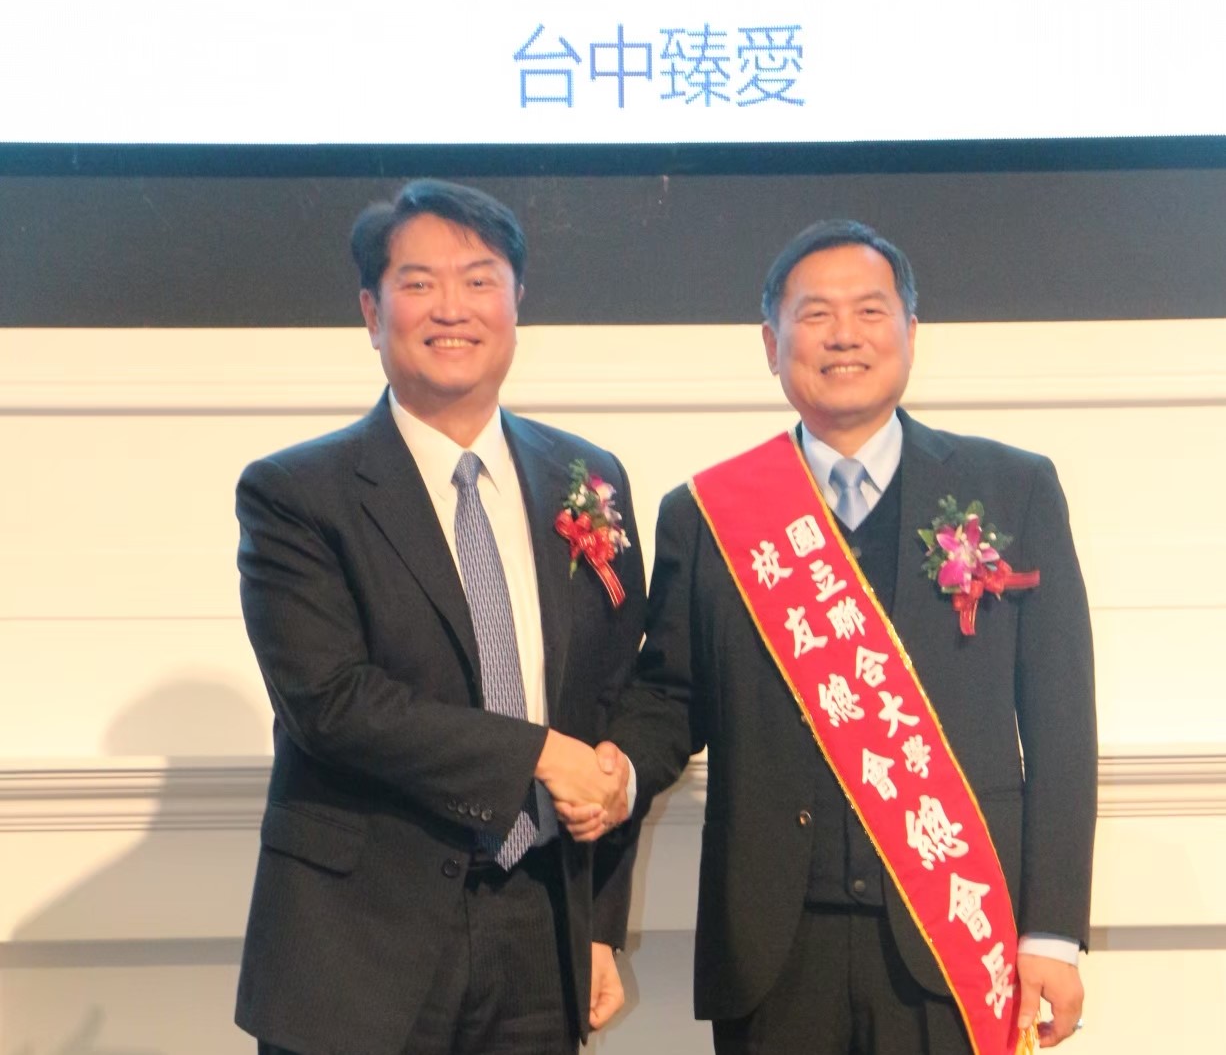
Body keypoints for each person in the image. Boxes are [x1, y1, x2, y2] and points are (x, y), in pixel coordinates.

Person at [597, 220, 1096, 1053]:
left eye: (869, 311)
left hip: (952, 934)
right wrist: (609, 772)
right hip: (773, 953)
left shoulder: (1013, 491)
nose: (844, 335)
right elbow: (670, 701)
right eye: (815, 314)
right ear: (772, 344)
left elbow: (1060, 723)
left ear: (910, 332)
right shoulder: (709, 516)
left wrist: (1051, 932)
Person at [233, 178, 645, 1055]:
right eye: (418, 283)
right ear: (370, 310)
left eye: (479, 279)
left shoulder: (587, 477)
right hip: (360, 942)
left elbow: (609, 701)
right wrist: (536, 753)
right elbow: (331, 701)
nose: (451, 307)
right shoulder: (296, 493)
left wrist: (599, 923)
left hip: (540, 929)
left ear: (516, 300)